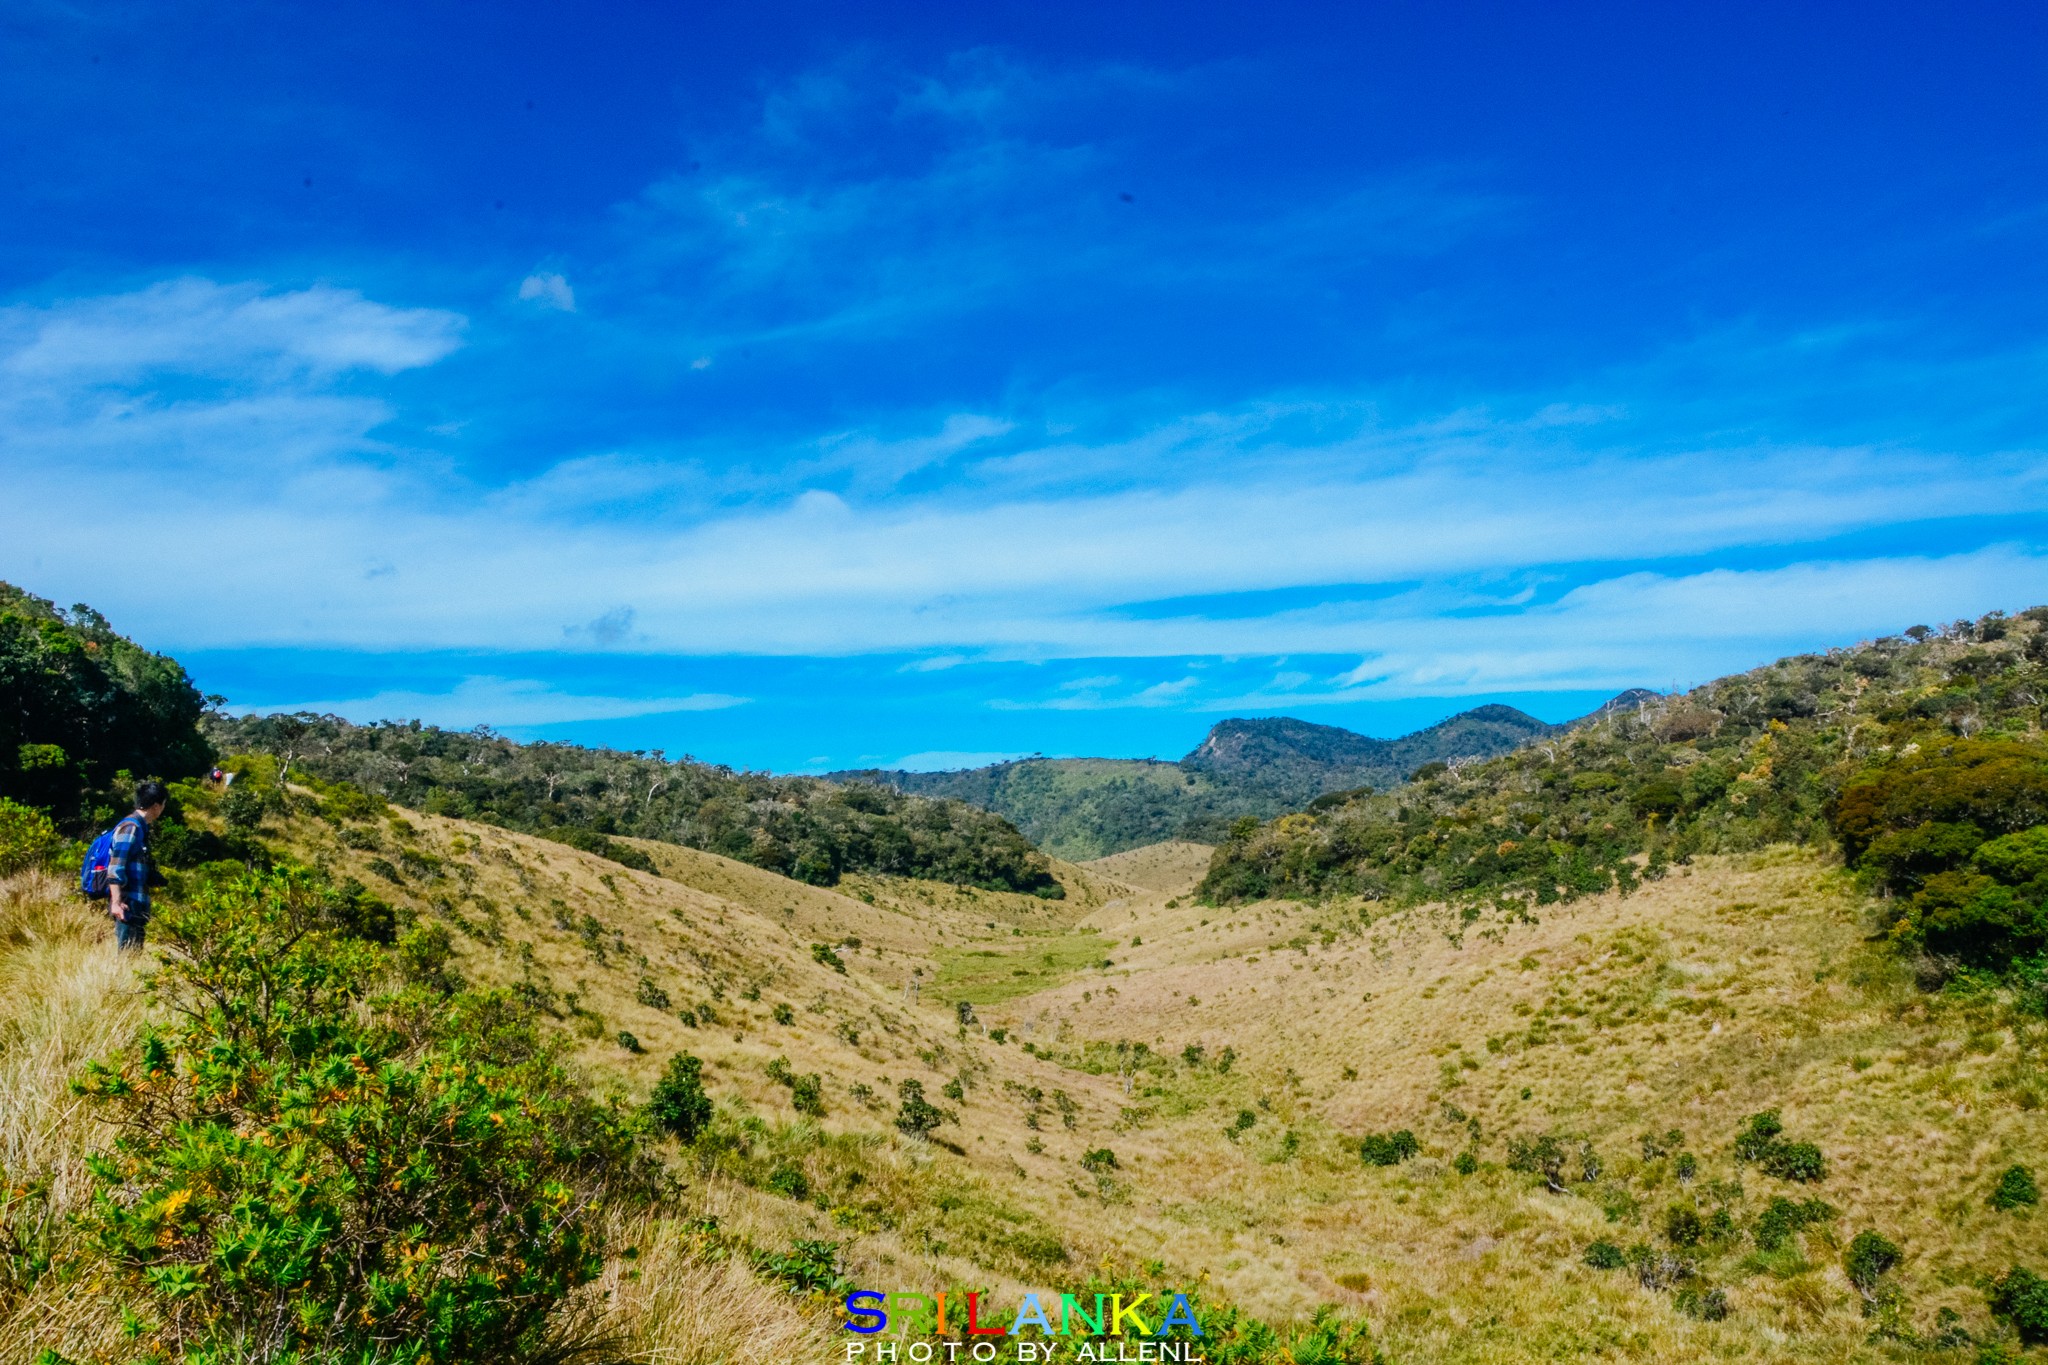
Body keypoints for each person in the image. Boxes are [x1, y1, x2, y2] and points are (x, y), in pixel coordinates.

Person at [106, 779, 168, 952]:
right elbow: (115, 867)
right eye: (163, 804)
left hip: (136, 901)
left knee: (133, 954)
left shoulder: (140, 828)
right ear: (156, 806)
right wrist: (117, 903)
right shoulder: (130, 828)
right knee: (127, 954)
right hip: (127, 903)